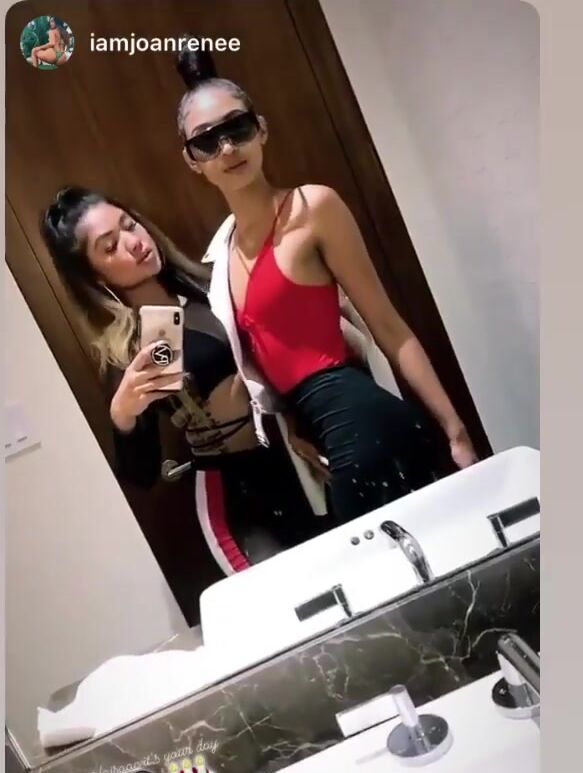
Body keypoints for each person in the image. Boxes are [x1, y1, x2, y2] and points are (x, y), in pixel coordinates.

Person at [175, 46, 480, 526]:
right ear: (193, 160)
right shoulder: (221, 254)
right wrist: (292, 421)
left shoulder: (312, 208)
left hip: (362, 422)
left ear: (261, 129)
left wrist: (455, 431)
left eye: (238, 128)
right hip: (326, 436)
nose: (227, 148)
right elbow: (267, 364)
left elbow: (388, 325)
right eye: (207, 141)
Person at [41, 186, 328, 574]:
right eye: (109, 247)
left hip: (298, 459)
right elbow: (141, 474)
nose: (133, 243)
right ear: (94, 276)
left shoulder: (212, 287)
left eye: (129, 225)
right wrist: (123, 416)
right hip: (238, 498)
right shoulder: (134, 350)